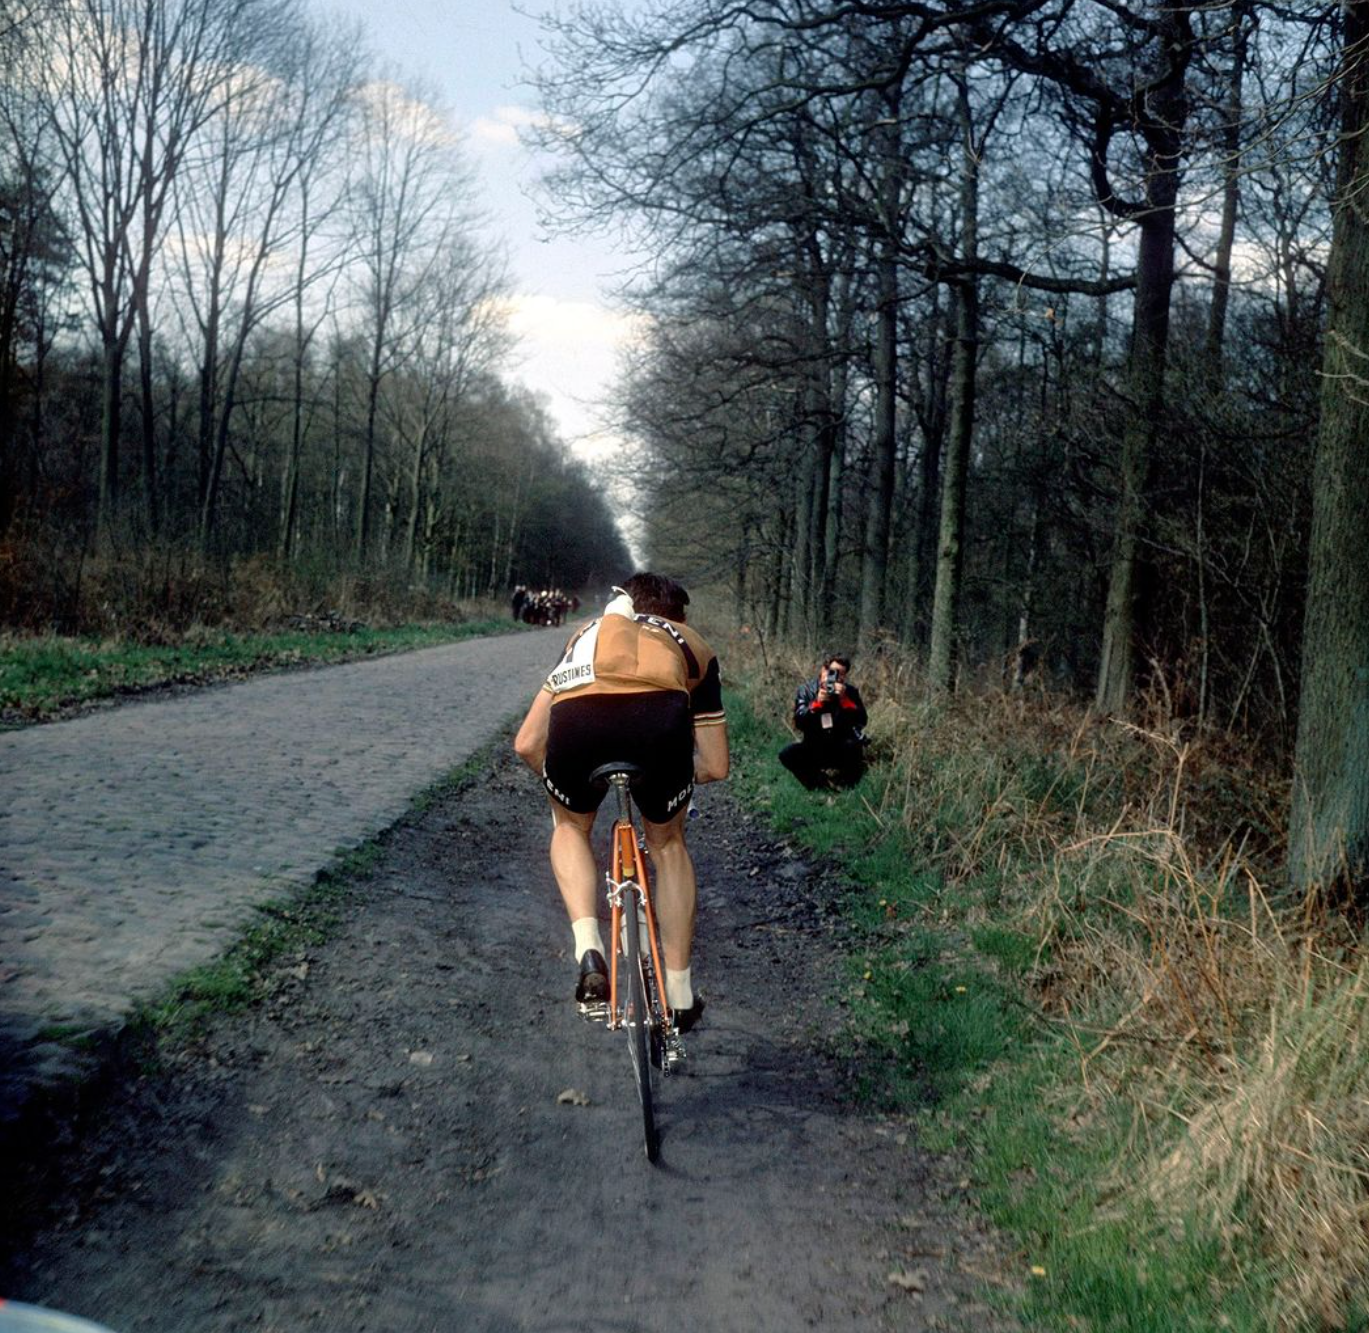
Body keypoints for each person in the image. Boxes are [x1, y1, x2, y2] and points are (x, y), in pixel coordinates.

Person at [513, 572, 729, 1033]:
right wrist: (673, 784)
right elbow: (716, 764)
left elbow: (528, 743)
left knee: (569, 827)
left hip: (578, 724)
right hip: (659, 721)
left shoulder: (585, 633)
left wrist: (565, 790)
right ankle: (679, 993)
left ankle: (589, 945)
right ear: (679, 615)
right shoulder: (692, 643)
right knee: (669, 847)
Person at [778, 653, 867, 790]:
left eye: (841, 674)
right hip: (815, 745)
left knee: (854, 746)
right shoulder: (806, 690)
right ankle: (820, 785)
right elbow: (799, 721)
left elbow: (862, 720)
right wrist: (816, 704)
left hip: (840, 745)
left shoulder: (850, 692)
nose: (836, 677)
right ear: (823, 670)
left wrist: (845, 701)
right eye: (832, 672)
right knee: (787, 754)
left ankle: (846, 786)